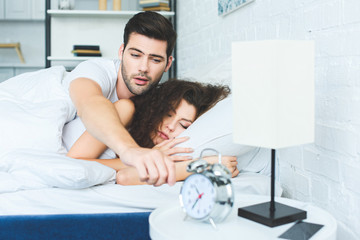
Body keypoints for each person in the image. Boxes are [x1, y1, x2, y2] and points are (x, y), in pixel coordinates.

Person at [63, 11, 177, 186]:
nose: (143, 68)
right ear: (122, 52)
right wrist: (130, 151)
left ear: (168, 64)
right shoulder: (94, 71)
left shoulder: (154, 103)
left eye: (155, 60)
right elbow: (89, 103)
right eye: (135, 55)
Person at [64, 79, 239, 185]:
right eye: (167, 113)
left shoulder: (165, 150)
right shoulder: (126, 109)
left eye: (184, 126)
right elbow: (74, 164)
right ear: (156, 107)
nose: (170, 126)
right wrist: (201, 167)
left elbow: (126, 177)